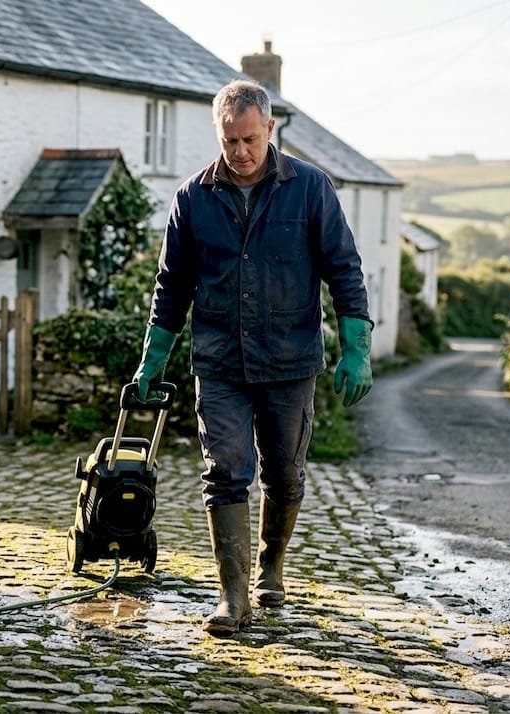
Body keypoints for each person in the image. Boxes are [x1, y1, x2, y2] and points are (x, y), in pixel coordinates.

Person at [132, 79, 373, 635]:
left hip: (290, 362)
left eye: (249, 139)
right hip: (219, 361)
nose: (239, 152)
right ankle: (232, 597)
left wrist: (356, 348)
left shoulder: (311, 188)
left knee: (285, 477)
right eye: (228, 140)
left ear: (270, 128)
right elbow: (172, 287)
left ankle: (271, 566)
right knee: (225, 472)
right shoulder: (193, 198)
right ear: (218, 133)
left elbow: (344, 268)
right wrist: (152, 360)